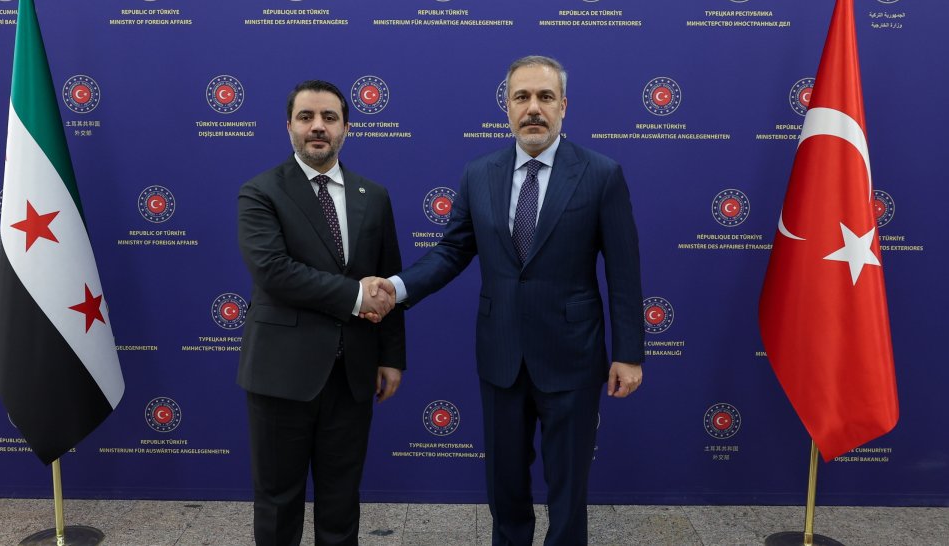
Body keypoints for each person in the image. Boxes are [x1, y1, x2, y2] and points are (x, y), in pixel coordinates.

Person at [374, 55, 644, 546]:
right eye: (522, 98)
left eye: (545, 97)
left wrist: (629, 353)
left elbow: (624, 272)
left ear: (564, 106)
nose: (533, 108)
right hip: (500, 356)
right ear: (506, 108)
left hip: (574, 357)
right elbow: (452, 250)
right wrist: (397, 288)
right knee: (505, 488)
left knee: (568, 490)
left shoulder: (602, 174)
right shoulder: (480, 173)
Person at [236, 79, 406, 546]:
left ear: (346, 128)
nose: (318, 127)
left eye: (329, 118)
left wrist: (391, 357)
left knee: (341, 500)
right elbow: (274, 272)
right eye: (307, 117)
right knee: (277, 502)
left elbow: (388, 281)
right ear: (288, 126)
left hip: (351, 375)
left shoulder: (375, 196)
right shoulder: (260, 192)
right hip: (280, 376)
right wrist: (354, 296)